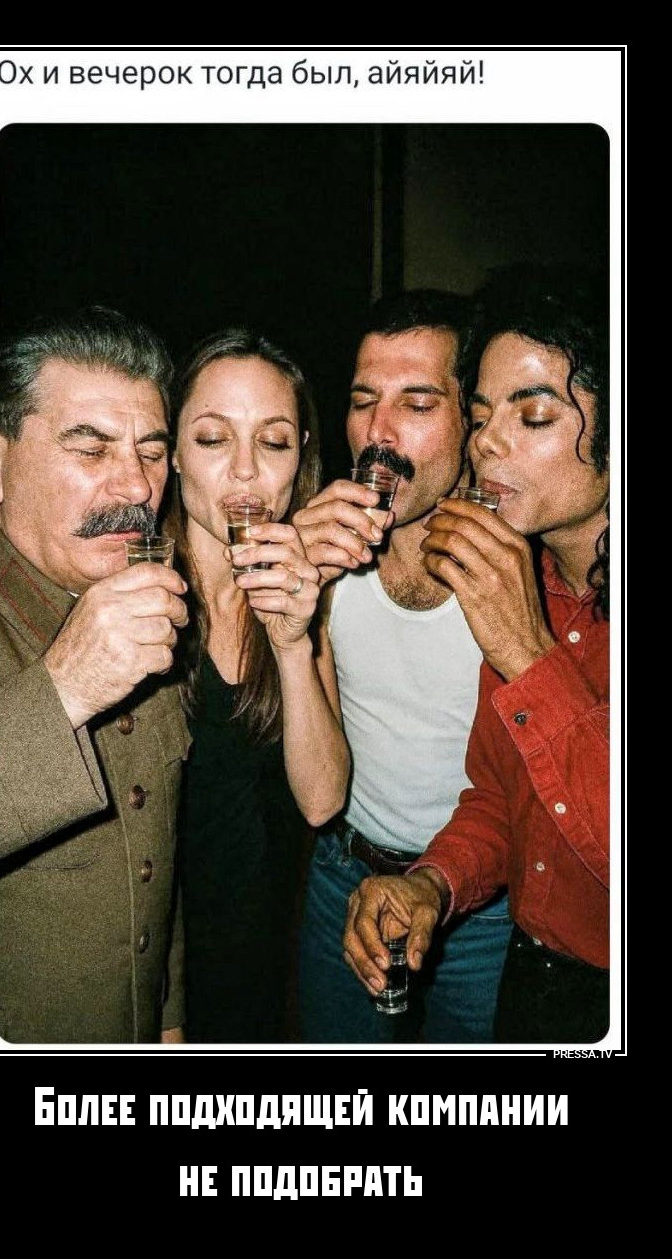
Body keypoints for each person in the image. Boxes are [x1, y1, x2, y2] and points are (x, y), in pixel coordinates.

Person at [343, 265, 610, 1043]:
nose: (487, 441)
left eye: (534, 413)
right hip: (530, 977)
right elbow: (499, 797)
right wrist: (432, 883)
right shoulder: (534, 583)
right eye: (484, 414)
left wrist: (527, 654)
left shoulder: (518, 617)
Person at [294, 290, 512, 1044]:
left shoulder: (517, 563)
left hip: (482, 911)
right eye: (364, 402)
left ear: (471, 422)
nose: (378, 432)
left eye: (417, 403)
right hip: (344, 875)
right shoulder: (321, 547)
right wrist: (294, 599)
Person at [0, 306, 191, 1044]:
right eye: (91, 448)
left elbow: (153, 851)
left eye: (152, 452)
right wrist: (64, 689)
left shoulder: (148, 600)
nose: (137, 487)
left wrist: (167, 1019)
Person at [164, 329, 349, 1043]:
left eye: (273, 442)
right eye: (213, 438)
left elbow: (322, 798)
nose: (245, 471)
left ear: (301, 458)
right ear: (172, 452)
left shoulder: (301, 592)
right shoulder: (134, 588)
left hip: (262, 951)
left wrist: (292, 642)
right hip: (156, 957)